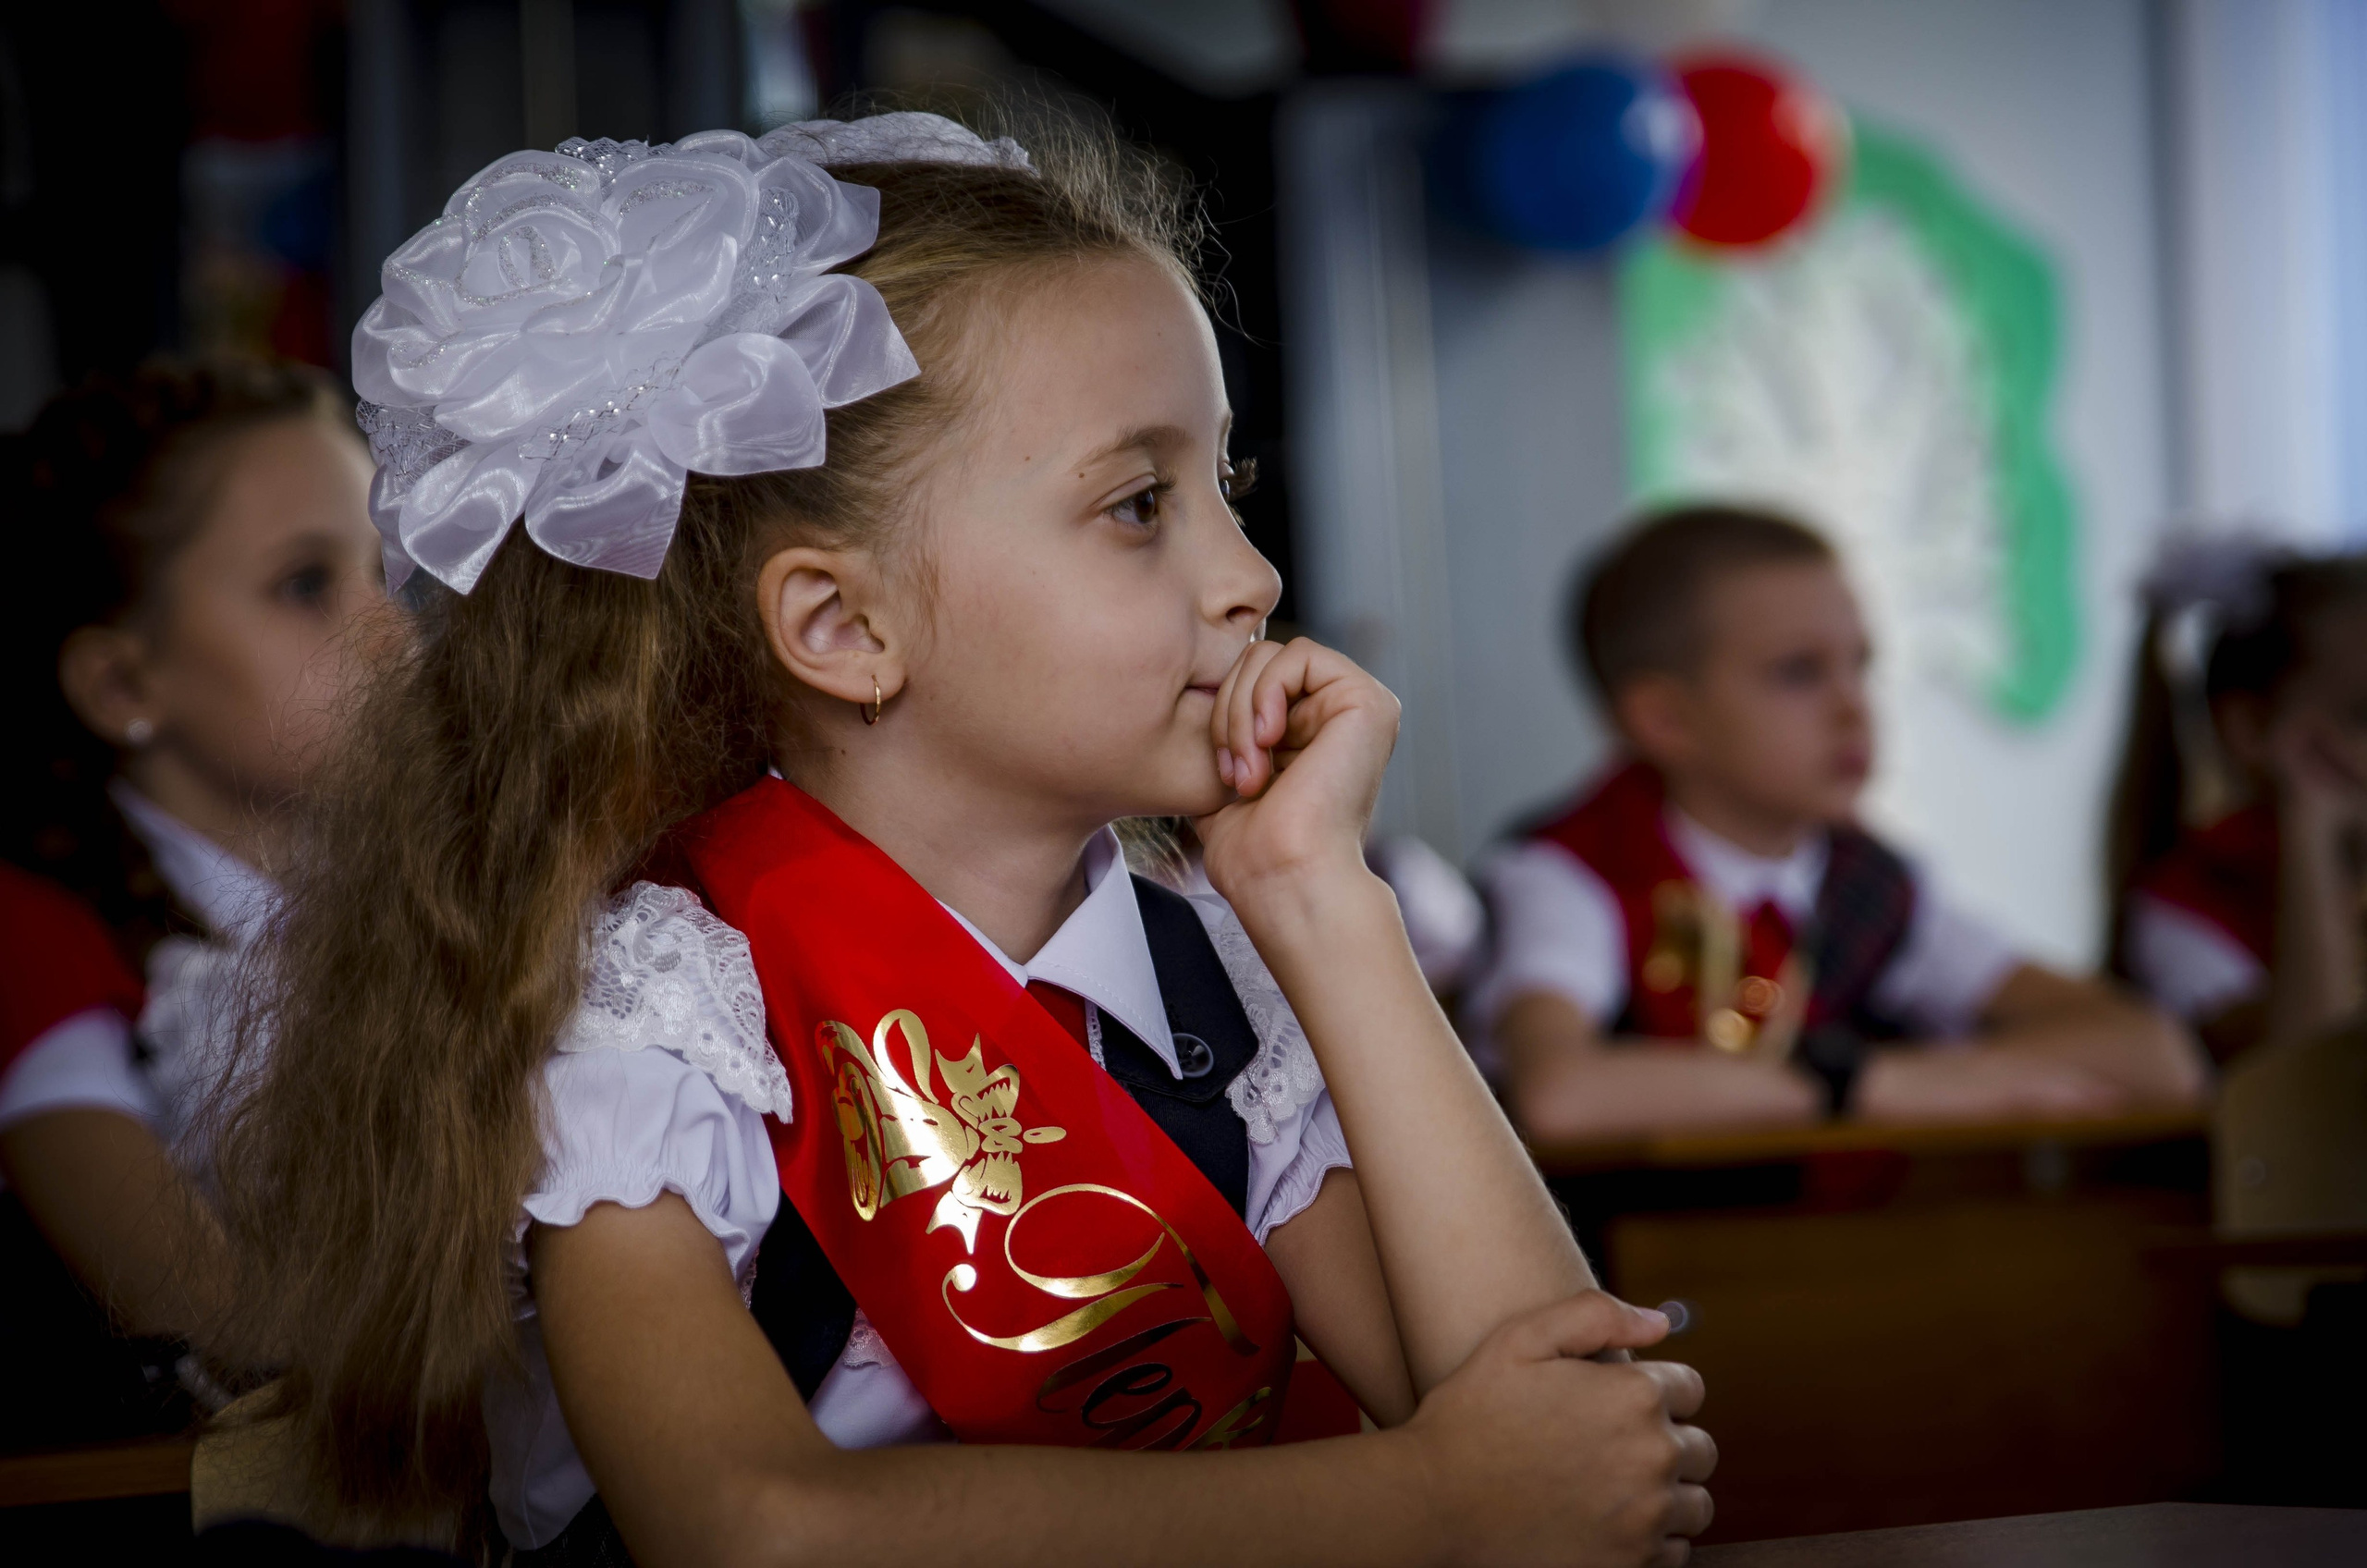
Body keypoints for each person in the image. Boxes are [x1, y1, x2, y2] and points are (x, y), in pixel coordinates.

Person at [206, 112, 1715, 1565]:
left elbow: (1565, 1446)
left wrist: (1324, 900)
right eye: (1140, 503)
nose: (1252, 574)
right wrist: (1426, 1511)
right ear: (842, 625)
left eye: (1226, 487)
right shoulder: (662, 1017)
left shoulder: (1217, 981)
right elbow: (747, 1531)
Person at [1469, 504, 2204, 1144]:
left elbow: (2153, 1055)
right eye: (1799, 672)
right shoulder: (1570, 875)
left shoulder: (1872, 883)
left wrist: (1953, 1075)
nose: (1853, 708)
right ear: (1665, 718)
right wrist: (1866, 1086)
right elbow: (1561, 1095)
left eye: (1861, 665)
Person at [0, 356, 383, 1446]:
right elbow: (208, 1313)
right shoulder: (32, 933)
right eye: (308, 585)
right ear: (123, 685)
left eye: (385, 573)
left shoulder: (411, 884)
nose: (389, 634)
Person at [2110, 542, 2367, 1060]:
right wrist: (2310, 833)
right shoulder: (2184, 908)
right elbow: (2317, 1091)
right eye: (2363, 715)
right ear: (2251, 729)